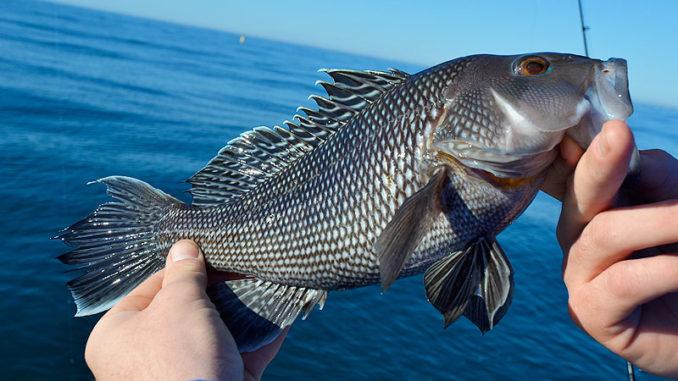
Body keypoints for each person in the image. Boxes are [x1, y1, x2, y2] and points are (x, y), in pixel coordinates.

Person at [84, 120, 678, 380]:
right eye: (533, 69)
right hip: (264, 235)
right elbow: (395, 249)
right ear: (459, 117)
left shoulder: (511, 167)